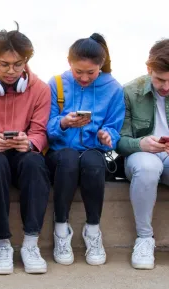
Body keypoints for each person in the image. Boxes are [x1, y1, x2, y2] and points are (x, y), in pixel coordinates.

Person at [0, 23, 51, 275]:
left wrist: (28, 143)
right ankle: (2, 243)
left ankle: (31, 243)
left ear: (25, 61)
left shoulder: (40, 89)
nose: (11, 71)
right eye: (5, 64)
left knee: (35, 163)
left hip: (23, 152)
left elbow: (40, 132)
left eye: (18, 64)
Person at [46, 33, 125, 266]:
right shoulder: (56, 83)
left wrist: (106, 135)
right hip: (61, 152)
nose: (83, 78)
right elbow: (46, 126)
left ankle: (93, 230)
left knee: (92, 161)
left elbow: (114, 127)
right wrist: (63, 122)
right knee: (69, 158)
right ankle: (61, 228)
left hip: (94, 151)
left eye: (91, 73)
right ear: (69, 62)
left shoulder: (113, 88)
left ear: (101, 66)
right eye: (78, 72)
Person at [117, 39, 169, 270]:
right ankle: (144, 239)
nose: (166, 86)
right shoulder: (129, 91)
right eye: (159, 79)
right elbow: (118, 141)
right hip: (140, 155)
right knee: (147, 167)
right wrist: (141, 143)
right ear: (149, 70)